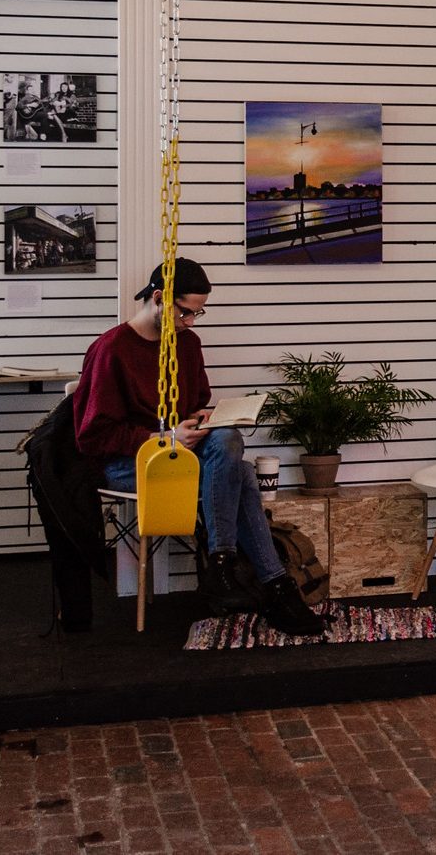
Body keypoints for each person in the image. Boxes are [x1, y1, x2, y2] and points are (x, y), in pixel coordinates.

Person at [72, 258, 324, 636]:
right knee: (239, 473)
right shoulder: (111, 350)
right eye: (185, 313)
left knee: (228, 440)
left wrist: (199, 423)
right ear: (158, 298)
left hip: (182, 456)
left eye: (197, 314)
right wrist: (166, 438)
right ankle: (273, 585)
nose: (189, 323)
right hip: (130, 465)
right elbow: (92, 437)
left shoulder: (187, 344)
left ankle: (223, 564)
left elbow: (195, 402)